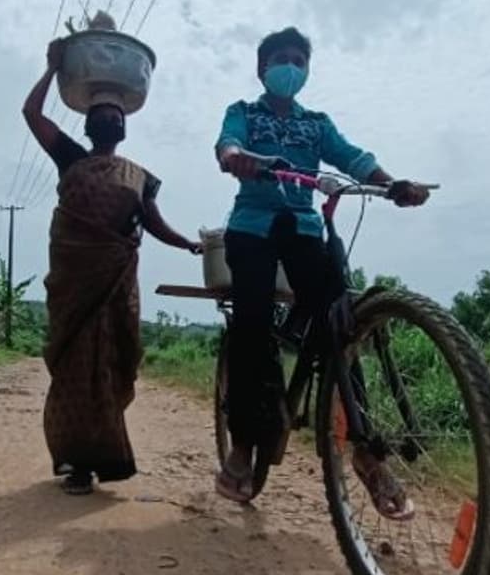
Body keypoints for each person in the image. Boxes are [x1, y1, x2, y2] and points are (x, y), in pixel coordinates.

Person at [213, 26, 430, 519]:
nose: (290, 67)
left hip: (306, 227)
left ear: (307, 71)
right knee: (251, 325)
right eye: (281, 59)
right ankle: (244, 445)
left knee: (341, 324)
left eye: (299, 60)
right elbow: (227, 144)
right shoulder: (244, 113)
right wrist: (237, 159)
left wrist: (391, 182)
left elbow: (353, 157)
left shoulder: (316, 124)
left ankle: (364, 452)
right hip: (253, 227)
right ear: (262, 68)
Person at [25, 37, 201, 495]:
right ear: (87, 126)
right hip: (76, 287)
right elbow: (31, 115)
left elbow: (155, 223)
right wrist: (50, 69)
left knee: (108, 369)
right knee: (76, 370)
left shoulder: (140, 176)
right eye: (100, 114)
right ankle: (76, 463)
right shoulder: (70, 159)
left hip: (116, 288)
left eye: (116, 115)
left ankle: (102, 457)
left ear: (123, 127)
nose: (108, 118)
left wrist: (187, 244)